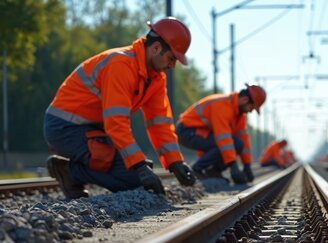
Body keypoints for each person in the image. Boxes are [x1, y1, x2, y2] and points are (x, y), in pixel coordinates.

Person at [44, 17, 196, 199]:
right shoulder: (120, 65)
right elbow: (116, 123)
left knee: (137, 174)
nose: (172, 66)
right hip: (65, 128)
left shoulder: (155, 78)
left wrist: (175, 162)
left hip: (93, 130)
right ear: (156, 48)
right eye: (171, 58)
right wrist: (138, 165)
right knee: (136, 179)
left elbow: (160, 123)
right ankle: (70, 172)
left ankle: (72, 173)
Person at [176, 83, 266, 184]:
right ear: (245, 100)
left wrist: (247, 165)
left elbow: (243, 140)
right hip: (186, 131)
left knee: (238, 143)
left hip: (201, 132)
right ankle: (197, 170)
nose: (250, 111)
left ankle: (213, 172)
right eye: (252, 108)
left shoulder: (239, 115)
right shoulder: (223, 105)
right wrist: (233, 166)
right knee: (228, 144)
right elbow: (223, 138)